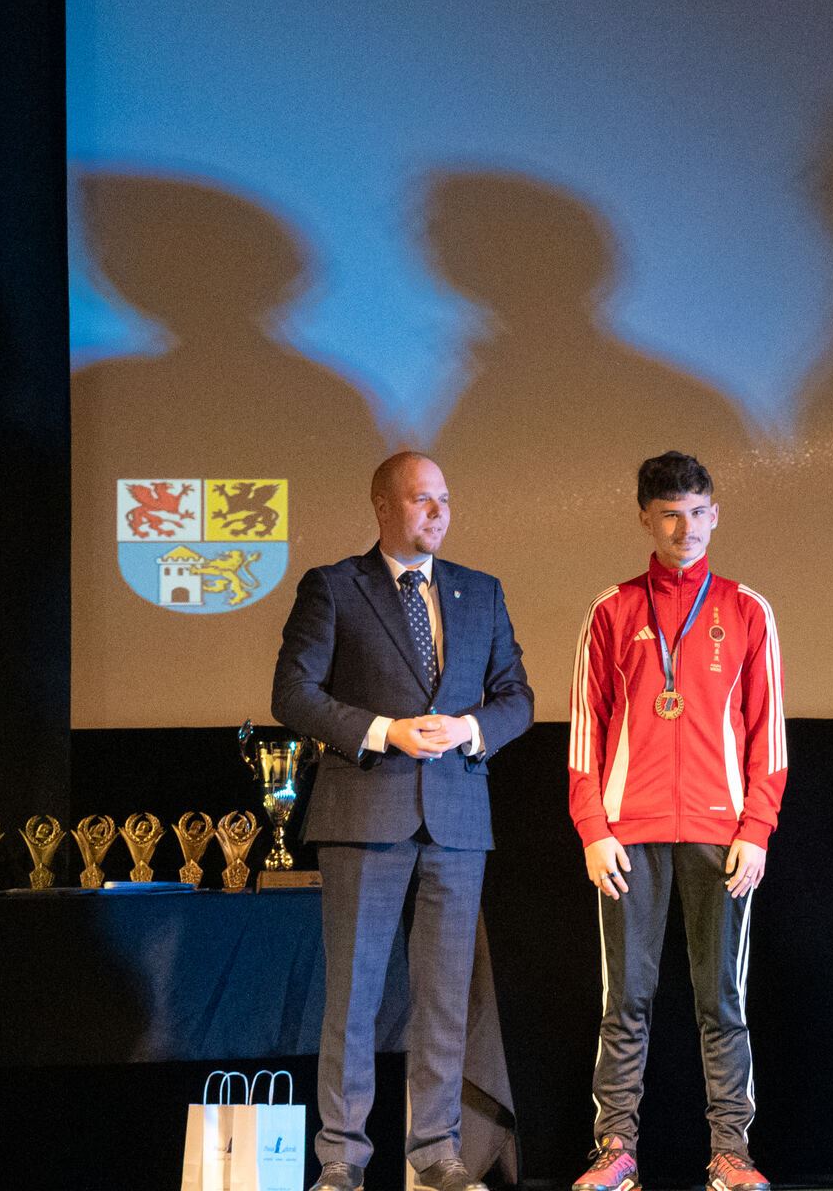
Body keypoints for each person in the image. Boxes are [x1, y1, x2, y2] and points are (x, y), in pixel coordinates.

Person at [273, 452, 535, 1191]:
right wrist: (385, 730)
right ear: (383, 506)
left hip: (457, 820)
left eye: (444, 498)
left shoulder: (481, 591)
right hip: (364, 812)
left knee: (445, 1000)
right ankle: (342, 1158)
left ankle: (437, 1152)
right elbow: (292, 693)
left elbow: (517, 698)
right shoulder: (334, 587)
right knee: (353, 998)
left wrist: (471, 729)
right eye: (423, 500)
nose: (438, 512)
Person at [566, 451, 790, 1191]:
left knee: (721, 1000)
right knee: (625, 1001)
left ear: (715, 514)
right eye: (669, 514)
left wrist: (755, 829)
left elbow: (768, 737)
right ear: (645, 518)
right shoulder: (611, 610)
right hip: (627, 836)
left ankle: (731, 1153)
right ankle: (616, 1151)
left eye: (696, 513)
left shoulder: (747, 610)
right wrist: (594, 829)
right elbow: (585, 733)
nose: (684, 528)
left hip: (720, 835)